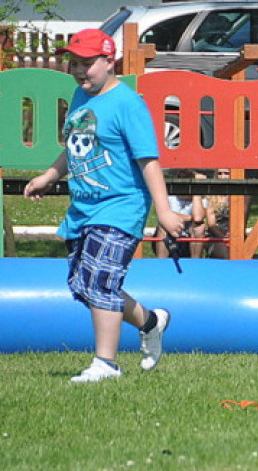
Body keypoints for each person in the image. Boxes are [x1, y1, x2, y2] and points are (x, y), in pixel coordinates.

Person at [24, 28, 182, 383]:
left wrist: (165, 211)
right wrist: (50, 176)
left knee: (101, 282)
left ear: (109, 61)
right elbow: (75, 146)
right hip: (84, 209)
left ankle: (105, 364)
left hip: (120, 207)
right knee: (84, 285)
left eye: (88, 64)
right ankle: (152, 322)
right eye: (74, 63)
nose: (80, 71)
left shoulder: (127, 104)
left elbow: (148, 161)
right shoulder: (82, 98)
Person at [155, 170, 206, 259]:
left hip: (189, 239)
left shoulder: (201, 200)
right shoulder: (169, 197)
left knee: (199, 228)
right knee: (162, 225)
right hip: (171, 236)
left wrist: (197, 191)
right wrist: (190, 217)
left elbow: (198, 218)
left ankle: (196, 263)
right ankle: (161, 262)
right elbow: (164, 214)